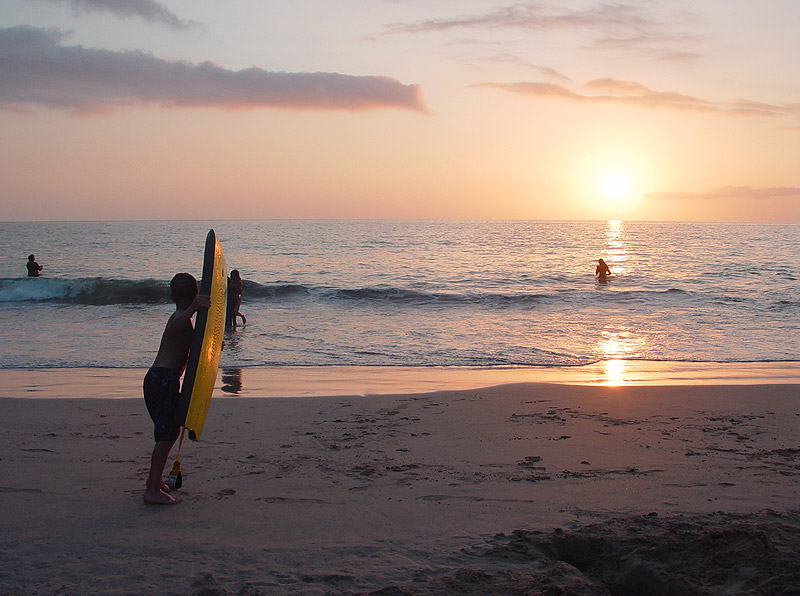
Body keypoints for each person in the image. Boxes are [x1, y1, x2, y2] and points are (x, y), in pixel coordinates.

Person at [142, 273, 210, 505]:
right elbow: (173, 330)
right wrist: (193, 308)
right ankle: (151, 490)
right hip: (163, 379)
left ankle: (156, 482)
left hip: (157, 379)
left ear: (171, 295)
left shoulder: (183, 317)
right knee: (166, 436)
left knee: (167, 434)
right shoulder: (181, 317)